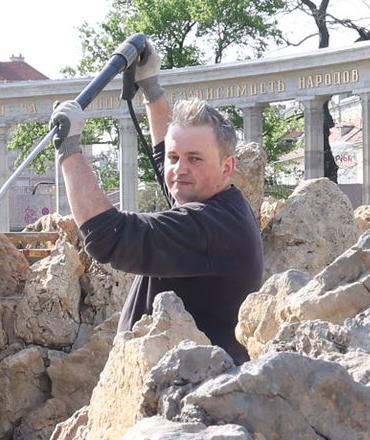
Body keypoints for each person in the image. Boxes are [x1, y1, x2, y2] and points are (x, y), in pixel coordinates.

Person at [56, 94, 264, 361]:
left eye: (195, 159)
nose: (179, 169)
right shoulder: (220, 204)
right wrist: (151, 89)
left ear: (228, 167)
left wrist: (68, 149)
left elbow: (108, 236)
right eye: (174, 157)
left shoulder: (209, 227)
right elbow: (162, 155)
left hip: (185, 392)